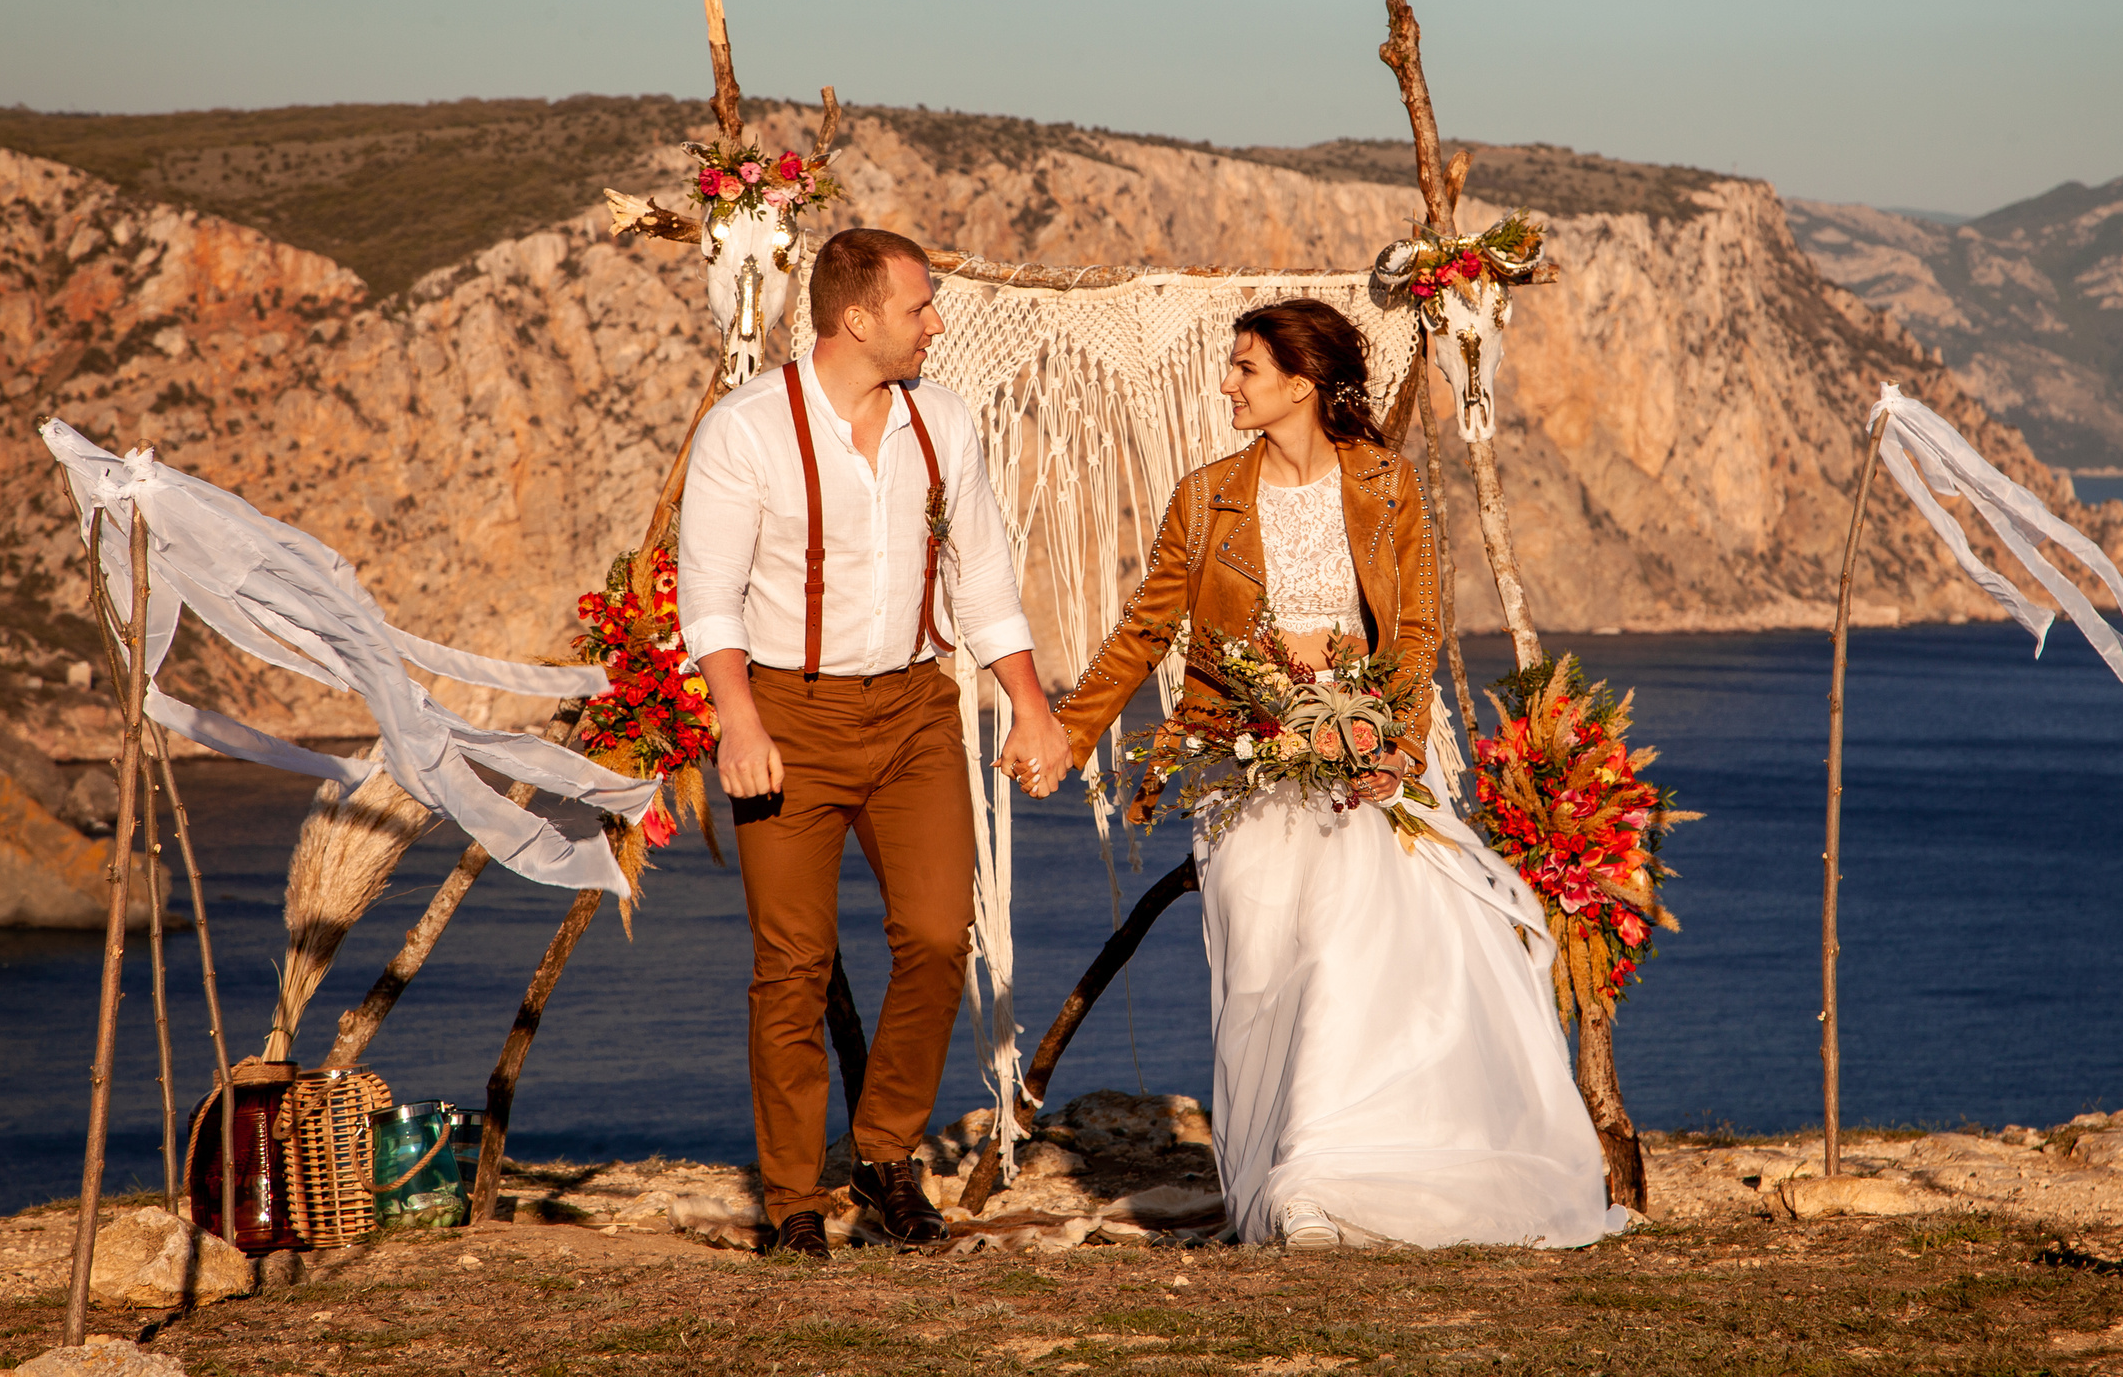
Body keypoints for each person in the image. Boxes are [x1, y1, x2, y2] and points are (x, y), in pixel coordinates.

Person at [1057, 298, 1620, 1250]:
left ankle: (1318, 1186)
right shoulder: (1203, 499)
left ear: (1301, 382)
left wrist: (1379, 737)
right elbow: (1147, 629)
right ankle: (1281, 1174)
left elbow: (1414, 633)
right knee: (1263, 982)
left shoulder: (1389, 484)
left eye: (1245, 367)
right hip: (1250, 771)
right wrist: (1068, 734)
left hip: (1373, 769)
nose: (1227, 383)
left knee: (1344, 964)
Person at [680, 227, 1071, 1258]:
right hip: (787, 715)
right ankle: (794, 1202)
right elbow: (709, 597)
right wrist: (742, 720)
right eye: (919, 307)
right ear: (857, 320)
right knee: (792, 965)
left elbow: (979, 576)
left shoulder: (941, 420)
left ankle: (886, 1153)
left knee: (940, 936)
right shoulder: (746, 430)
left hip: (912, 711)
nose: (935, 322)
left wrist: (1029, 706)